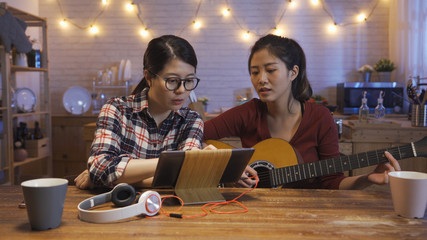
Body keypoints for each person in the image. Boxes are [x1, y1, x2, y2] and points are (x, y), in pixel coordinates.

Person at [204, 34, 401, 189]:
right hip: (256, 212)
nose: (261, 79)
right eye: (255, 72)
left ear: (293, 72)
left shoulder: (320, 118)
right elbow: (193, 134)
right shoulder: (247, 113)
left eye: (270, 70)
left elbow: (332, 182)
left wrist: (367, 179)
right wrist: (228, 168)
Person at [75, 35, 205, 189]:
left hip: (173, 208)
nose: (181, 90)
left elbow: (189, 176)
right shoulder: (117, 109)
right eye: (172, 81)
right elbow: (100, 168)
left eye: (189, 80)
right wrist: (178, 162)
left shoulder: (191, 120)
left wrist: (113, 179)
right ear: (149, 77)